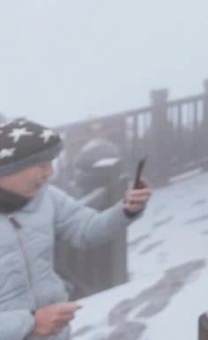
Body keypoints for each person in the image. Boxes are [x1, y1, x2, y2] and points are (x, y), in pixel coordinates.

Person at [0, 118, 151, 339]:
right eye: (42, 165)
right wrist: (30, 323)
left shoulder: (46, 196)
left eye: (51, 163)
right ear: (9, 169)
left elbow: (86, 230)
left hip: (54, 331)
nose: (50, 172)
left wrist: (126, 210)